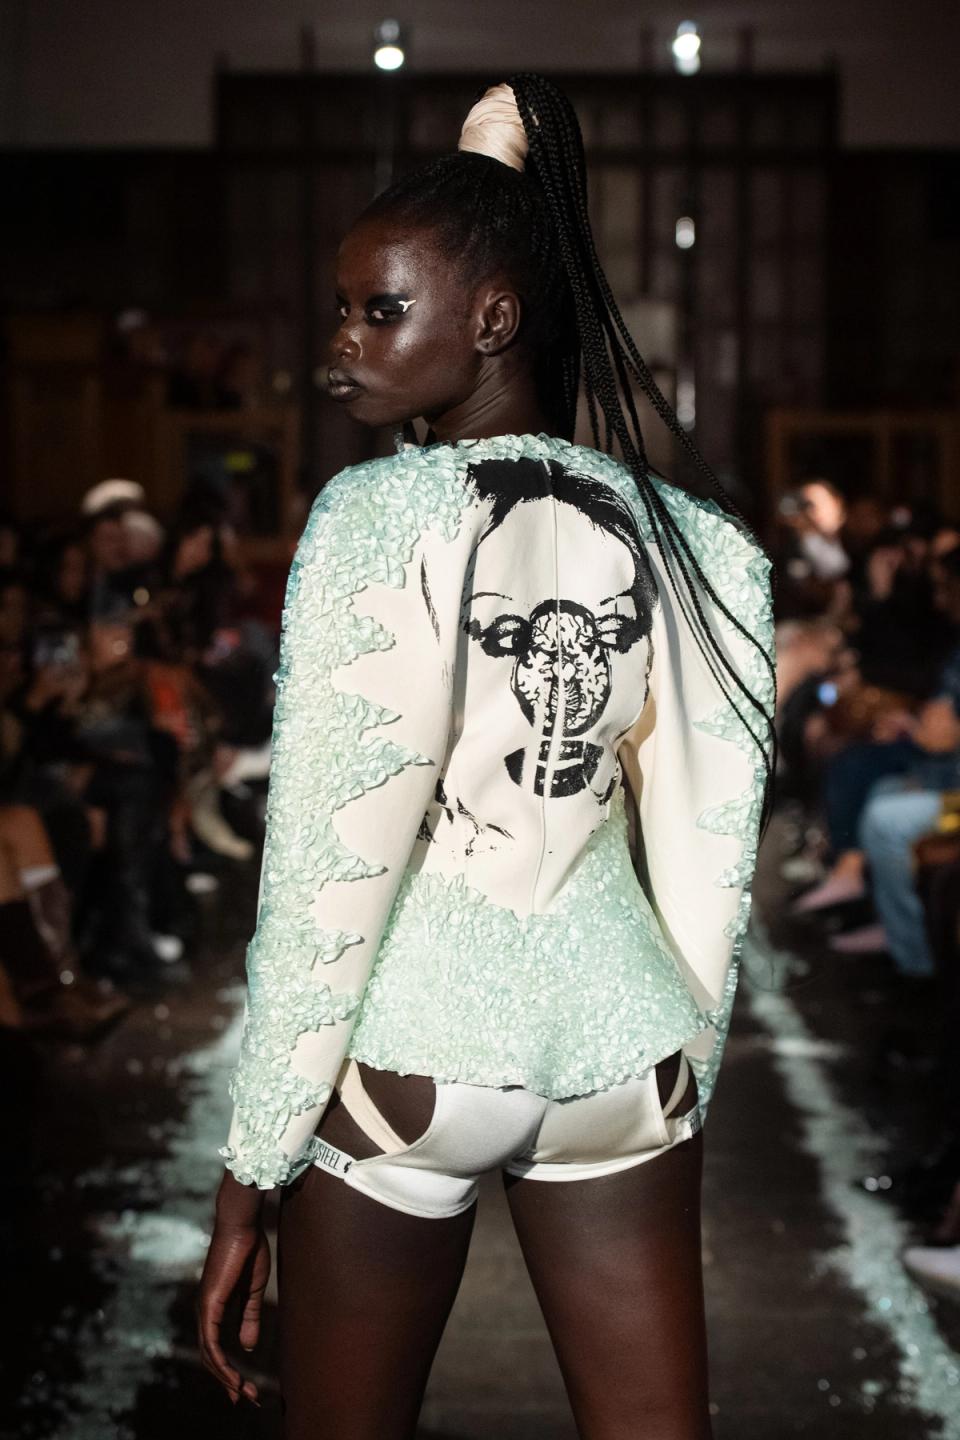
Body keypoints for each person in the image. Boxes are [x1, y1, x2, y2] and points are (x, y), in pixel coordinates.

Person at [198, 75, 776, 1439]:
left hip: (417, 1053)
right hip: (624, 1057)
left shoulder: (378, 519)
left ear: (494, 320)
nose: (340, 343)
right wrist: (685, 1056)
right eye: (343, 308)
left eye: (379, 309)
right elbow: (711, 850)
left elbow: (330, 865)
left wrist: (253, 1164)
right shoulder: (697, 544)